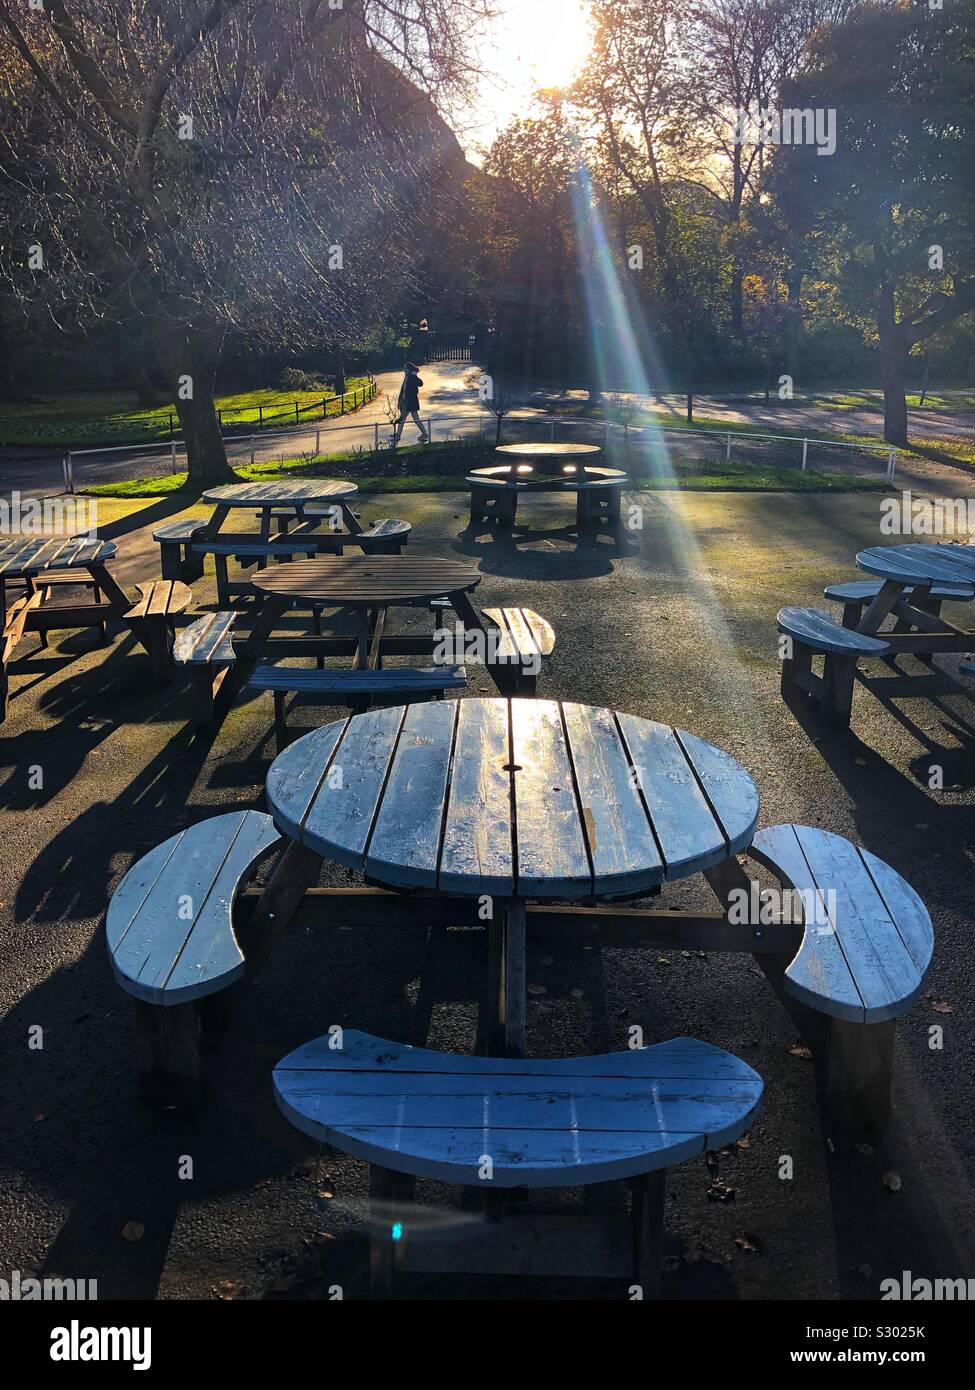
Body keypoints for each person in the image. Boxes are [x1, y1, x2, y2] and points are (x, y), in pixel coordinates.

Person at [391, 362, 429, 445]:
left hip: (410, 402)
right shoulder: (408, 376)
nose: (403, 369)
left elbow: (420, 383)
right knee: (407, 418)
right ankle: (424, 434)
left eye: (405, 368)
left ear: (408, 369)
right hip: (407, 401)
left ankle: (424, 434)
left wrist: (415, 375)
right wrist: (400, 400)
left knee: (408, 418)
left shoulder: (412, 376)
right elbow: (403, 390)